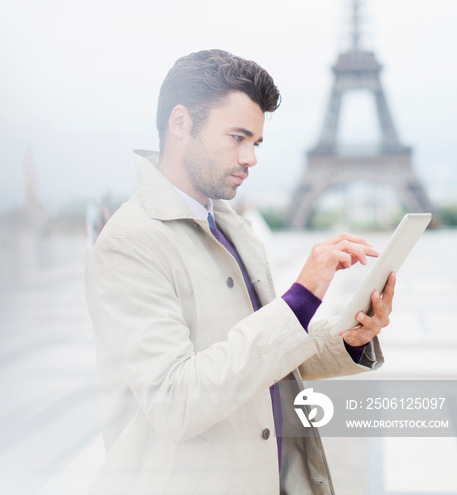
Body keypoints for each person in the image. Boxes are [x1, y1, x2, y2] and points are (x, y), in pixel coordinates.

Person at [85, 49, 395, 495]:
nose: (251, 157)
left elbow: (257, 359)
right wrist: (301, 297)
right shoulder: (129, 245)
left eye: (257, 142)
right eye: (237, 137)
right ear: (180, 123)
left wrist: (346, 338)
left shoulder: (234, 228)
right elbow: (178, 401)